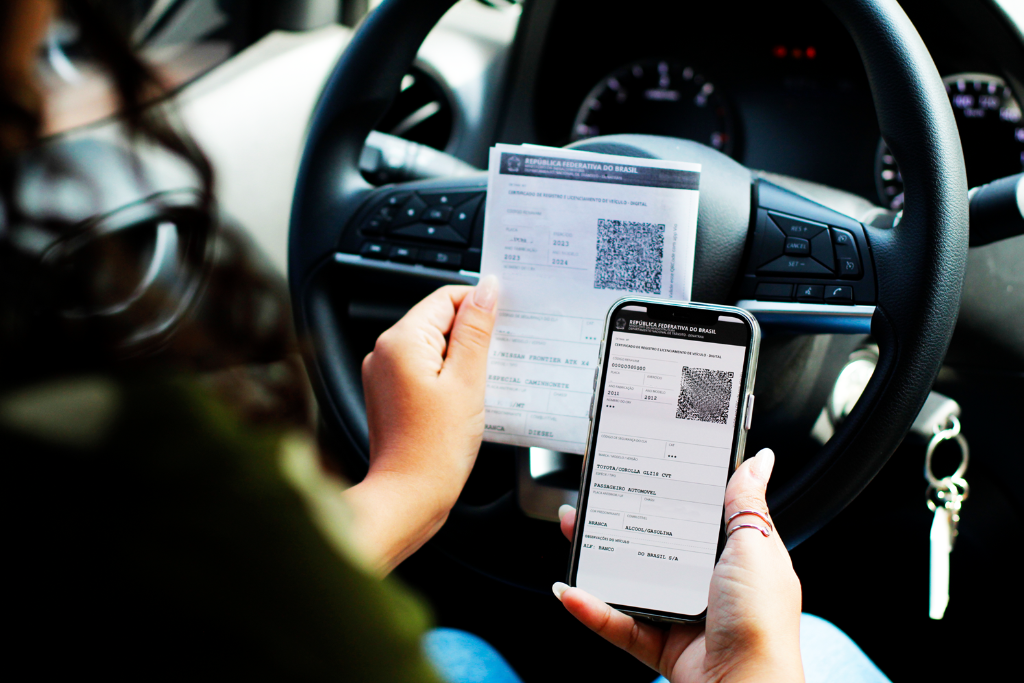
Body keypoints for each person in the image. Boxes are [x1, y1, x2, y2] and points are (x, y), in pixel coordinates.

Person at [1, 2, 890, 681]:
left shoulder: (65, 450)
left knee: (462, 652)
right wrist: (744, 673)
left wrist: (402, 486)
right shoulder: (131, 467)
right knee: (812, 643)